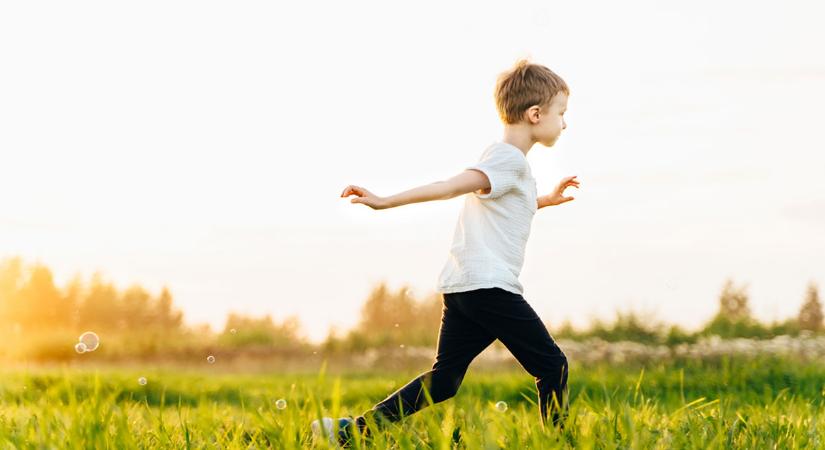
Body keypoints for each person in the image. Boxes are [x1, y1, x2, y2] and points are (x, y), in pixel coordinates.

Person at [313, 59, 579, 447]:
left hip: (465, 287)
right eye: (562, 113)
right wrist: (385, 201)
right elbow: (451, 186)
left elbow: (506, 204)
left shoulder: (506, 163)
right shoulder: (507, 159)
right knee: (552, 365)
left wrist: (545, 200)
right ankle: (561, 443)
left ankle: (351, 432)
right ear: (535, 114)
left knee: (445, 381)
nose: (565, 123)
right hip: (490, 287)